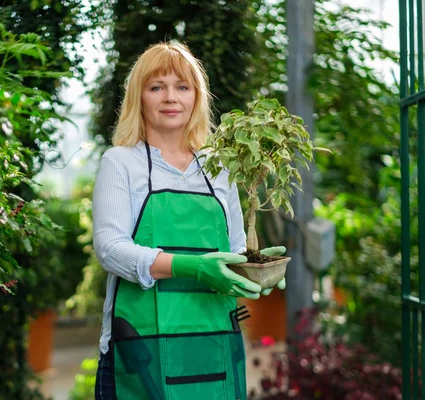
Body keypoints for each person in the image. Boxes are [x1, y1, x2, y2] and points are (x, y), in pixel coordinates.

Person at [92, 41, 286, 400]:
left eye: (182, 87)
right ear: (139, 97)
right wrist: (192, 267)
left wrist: (256, 269)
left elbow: (232, 248)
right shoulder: (121, 163)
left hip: (212, 342)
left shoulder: (219, 168)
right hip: (140, 348)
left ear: (197, 98)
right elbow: (110, 250)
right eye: (156, 87)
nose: (170, 97)